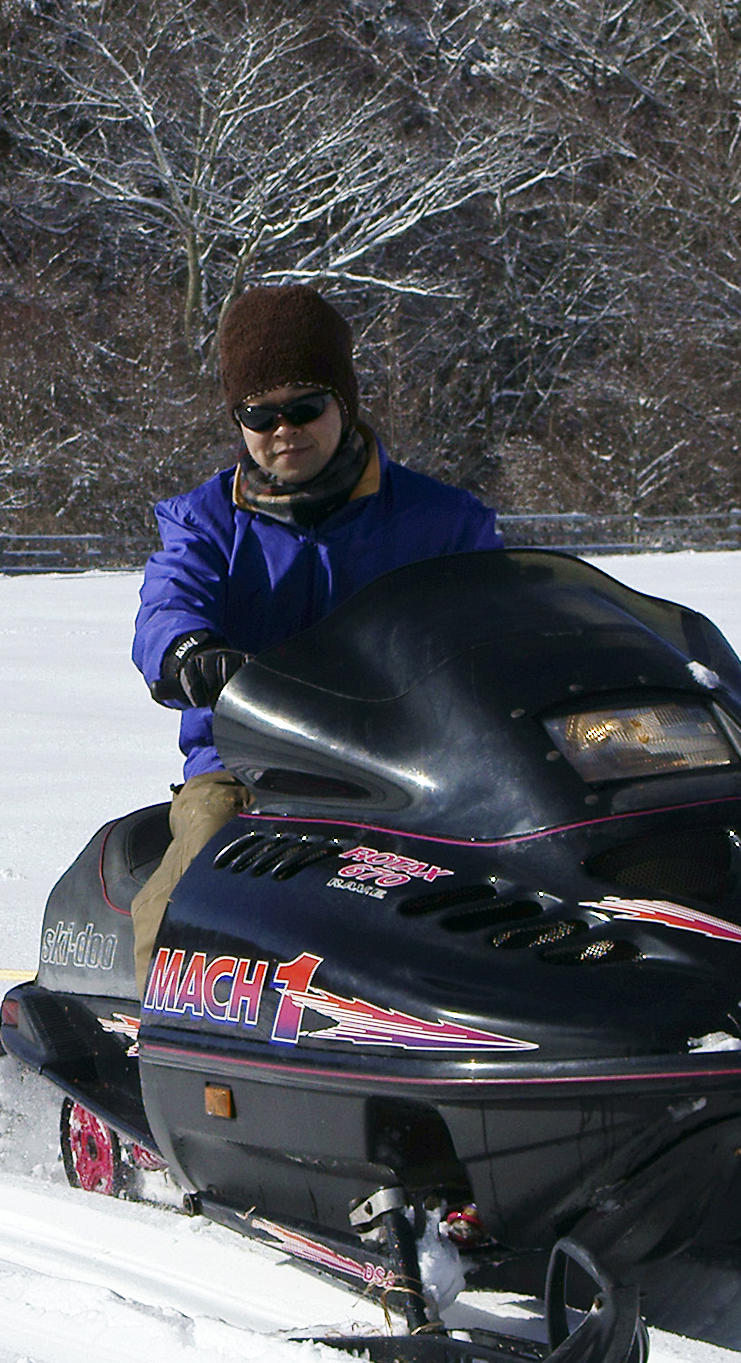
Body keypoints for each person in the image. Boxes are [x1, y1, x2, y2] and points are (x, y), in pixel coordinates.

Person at [125, 284, 500, 967]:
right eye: (259, 414)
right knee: (200, 876)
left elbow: (505, 618)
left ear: (343, 403)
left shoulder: (443, 522)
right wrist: (189, 651)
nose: (284, 429)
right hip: (248, 767)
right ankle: (165, 1018)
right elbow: (169, 603)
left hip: (415, 766)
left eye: (304, 407)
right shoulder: (204, 521)